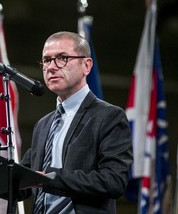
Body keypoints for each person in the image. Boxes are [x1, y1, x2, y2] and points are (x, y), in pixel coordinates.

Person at [20, 31, 133, 214]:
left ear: (86, 65)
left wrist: (51, 179)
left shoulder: (109, 116)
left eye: (62, 58)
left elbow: (114, 181)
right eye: (47, 60)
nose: (51, 67)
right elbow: (24, 177)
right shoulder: (43, 124)